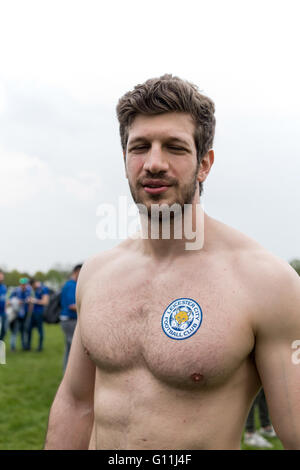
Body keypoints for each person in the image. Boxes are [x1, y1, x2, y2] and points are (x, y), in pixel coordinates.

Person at [44, 74, 300, 450]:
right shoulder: (97, 273)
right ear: (125, 159)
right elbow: (76, 402)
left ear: (204, 164)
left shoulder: (266, 282)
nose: (154, 163)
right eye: (140, 147)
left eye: (175, 147)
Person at [60, 265, 82, 371]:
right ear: (77, 272)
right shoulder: (71, 285)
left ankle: (67, 372)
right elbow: (72, 305)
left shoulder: (70, 284)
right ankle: (71, 374)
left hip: (68, 320)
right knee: (75, 350)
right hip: (70, 320)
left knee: (69, 349)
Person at [9, 278, 32, 351]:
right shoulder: (15, 291)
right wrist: (16, 302)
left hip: (25, 314)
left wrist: (29, 301)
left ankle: (24, 346)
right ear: (20, 284)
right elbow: (10, 301)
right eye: (22, 284)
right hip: (16, 314)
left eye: (25, 284)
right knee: (15, 331)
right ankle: (13, 347)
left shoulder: (28, 291)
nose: (24, 286)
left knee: (24, 330)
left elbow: (31, 300)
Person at [26, 279, 50, 351]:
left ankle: (40, 347)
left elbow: (45, 302)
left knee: (40, 330)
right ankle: (28, 346)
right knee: (29, 329)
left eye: (31, 286)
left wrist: (34, 300)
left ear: (34, 284)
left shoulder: (43, 289)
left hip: (39, 313)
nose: (31, 288)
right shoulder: (34, 290)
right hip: (33, 313)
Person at [0, 270, 7, 341]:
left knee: (4, 330)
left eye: (2, 276)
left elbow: (4, 299)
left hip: (3, 313)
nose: (2, 277)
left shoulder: (4, 287)